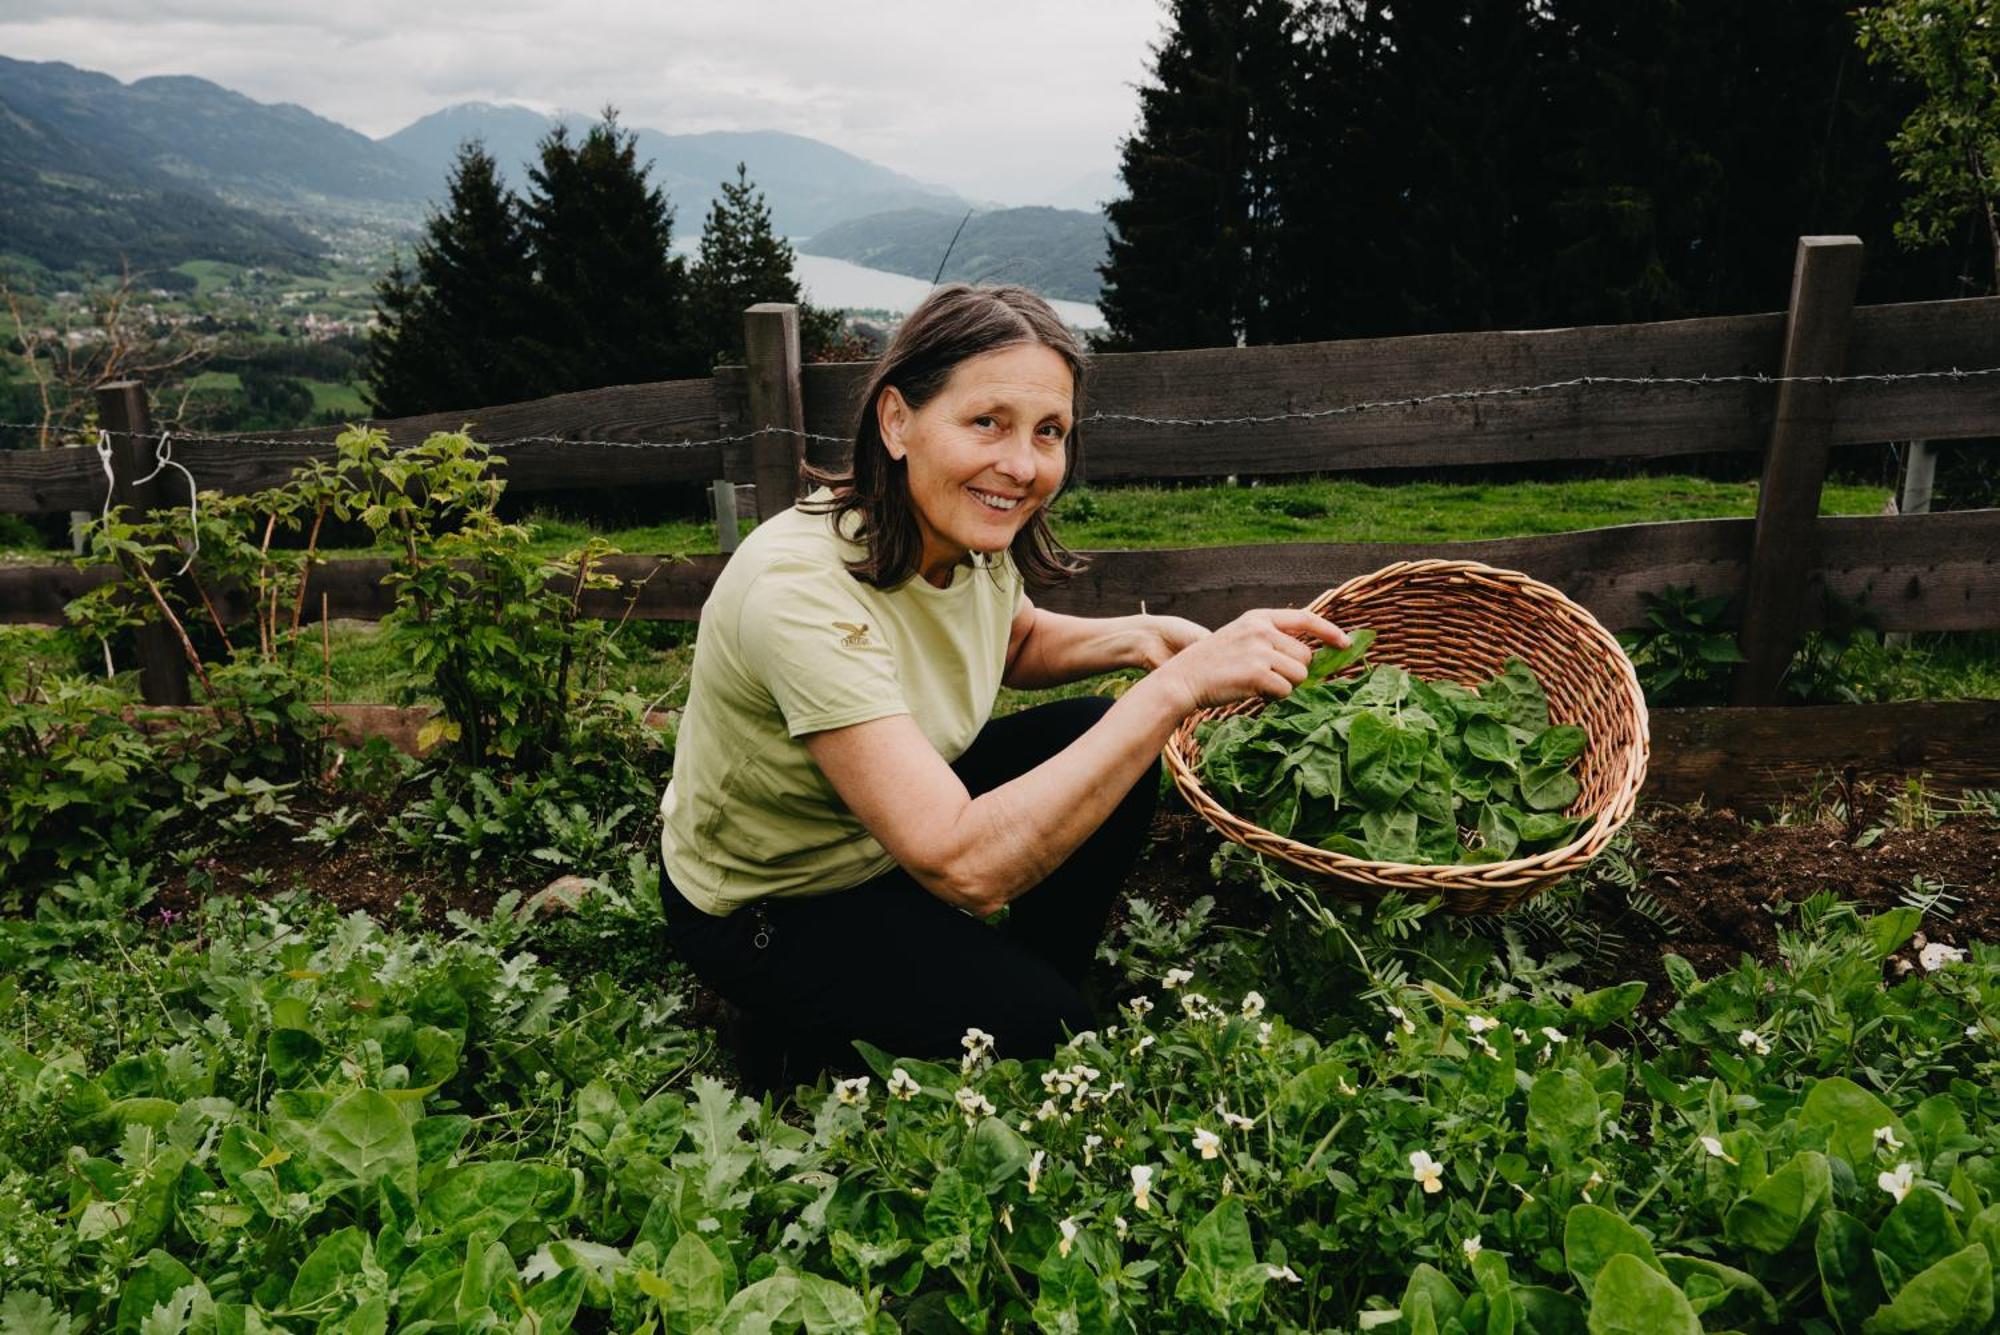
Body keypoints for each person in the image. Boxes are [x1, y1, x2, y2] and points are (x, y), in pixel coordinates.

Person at [658, 283, 1348, 1091]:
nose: (1022, 466)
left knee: (1095, 740)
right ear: (896, 421)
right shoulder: (800, 593)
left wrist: (1139, 639)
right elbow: (961, 864)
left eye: (1048, 432)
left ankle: (1009, 979)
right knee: (1049, 1039)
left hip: (884, 833)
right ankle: (785, 1024)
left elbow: (1011, 636)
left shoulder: (960, 526)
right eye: (987, 422)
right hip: (776, 898)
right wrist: (1175, 690)